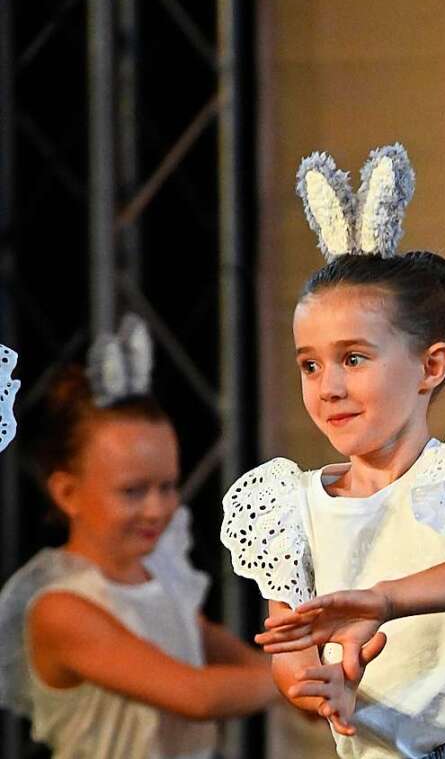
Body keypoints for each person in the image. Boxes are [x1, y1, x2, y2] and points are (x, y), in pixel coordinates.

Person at [222, 145, 445, 759]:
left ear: (431, 365)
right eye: (310, 365)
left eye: (353, 359)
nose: (329, 386)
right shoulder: (290, 505)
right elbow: (293, 659)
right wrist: (322, 689)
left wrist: (383, 599)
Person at [0, 315, 277, 759]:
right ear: (68, 492)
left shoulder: (160, 568)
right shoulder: (61, 607)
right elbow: (194, 694)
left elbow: (202, 635)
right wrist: (294, 679)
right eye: (133, 491)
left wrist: (301, 681)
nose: (157, 508)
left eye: (167, 486)